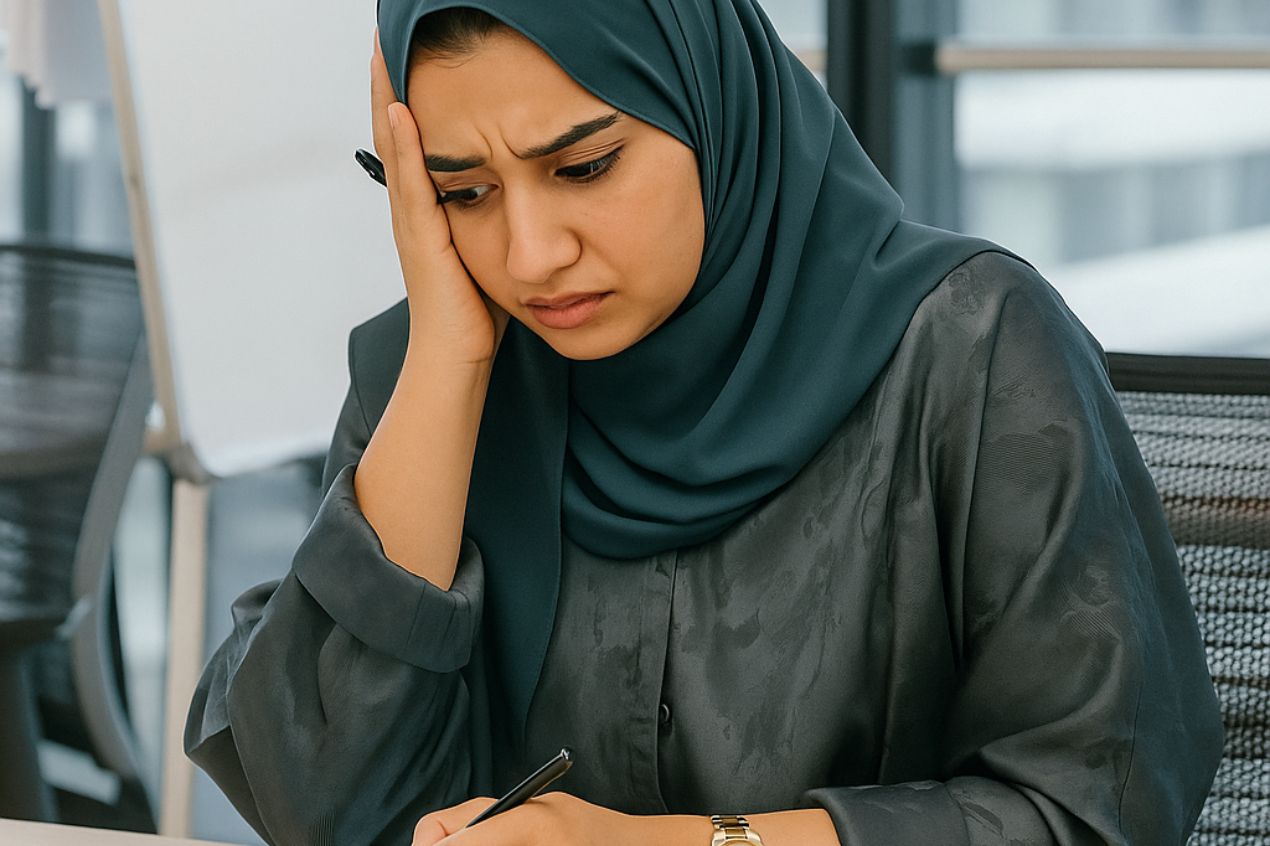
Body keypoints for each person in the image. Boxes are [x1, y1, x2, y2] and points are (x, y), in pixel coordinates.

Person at [184, 1, 1224, 844]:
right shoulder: (448, 368)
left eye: (583, 167)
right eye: (464, 191)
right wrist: (449, 364)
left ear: (711, 110)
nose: (531, 254)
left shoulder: (974, 348)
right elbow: (315, 810)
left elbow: (1094, 810)